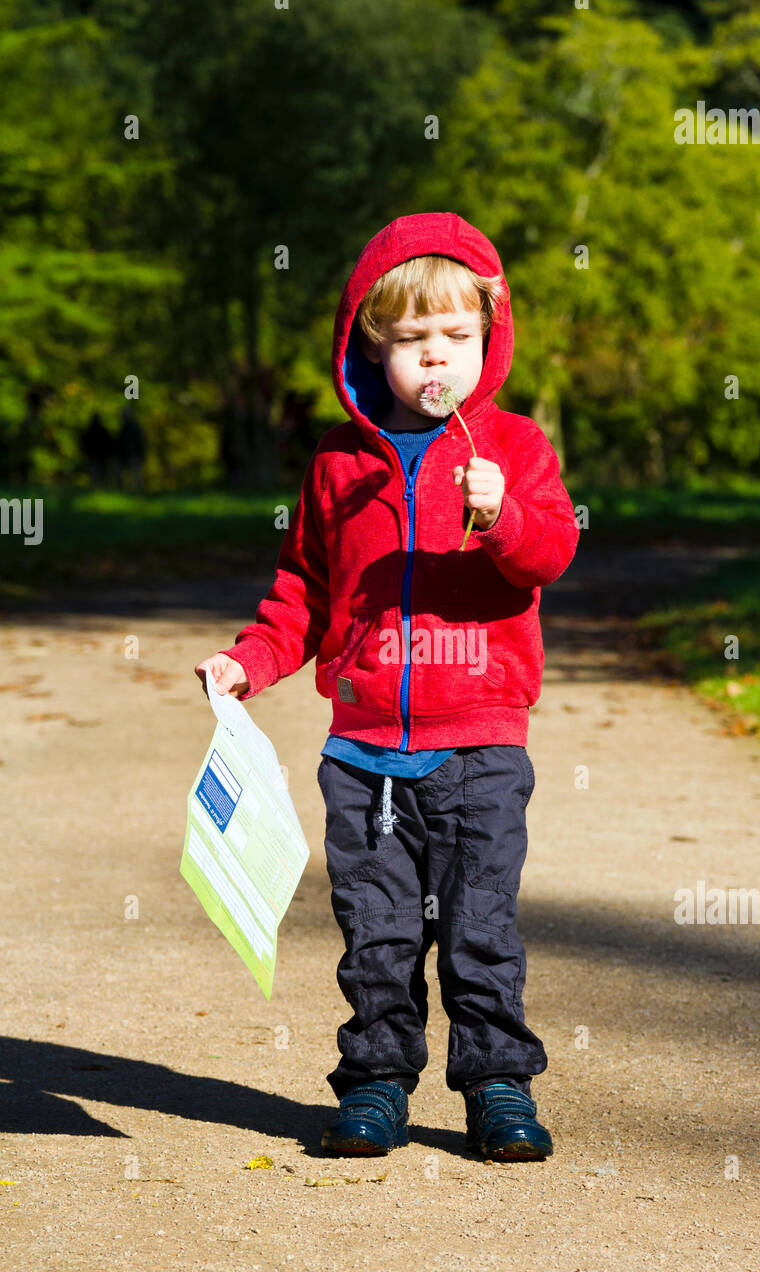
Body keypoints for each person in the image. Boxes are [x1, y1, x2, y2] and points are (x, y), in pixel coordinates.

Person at [195, 212, 579, 1161]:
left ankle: (497, 1085)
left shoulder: (515, 451)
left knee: (481, 929)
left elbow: (549, 554)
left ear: (491, 339)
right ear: (371, 343)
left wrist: (502, 518)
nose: (435, 360)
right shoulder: (338, 461)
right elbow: (303, 593)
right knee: (377, 932)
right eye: (412, 341)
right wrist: (253, 658)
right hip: (364, 755)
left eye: (456, 337)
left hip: (481, 744)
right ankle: (373, 1082)